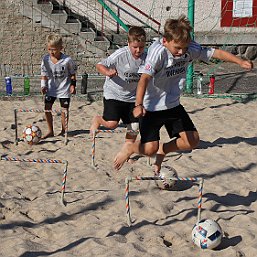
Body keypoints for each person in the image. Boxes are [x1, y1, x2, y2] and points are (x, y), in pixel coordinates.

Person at [114, 15, 253, 171]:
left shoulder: (189, 48)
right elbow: (144, 79)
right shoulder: (158, 53)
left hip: (172, 104)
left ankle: (164, 150)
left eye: (184, 48)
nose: (181, 52)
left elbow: (215, 53)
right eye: (177, 48)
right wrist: (138, 104)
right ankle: (131, 148)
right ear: (165, 41)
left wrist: (239, 61)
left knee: (192, 141)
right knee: (149, 149)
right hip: (151, 106)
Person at [90, 26, 147, 158]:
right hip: (114, 93)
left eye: (141, 47)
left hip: (132, 97)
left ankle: (126, 152)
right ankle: (98, 119)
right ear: (128, 44)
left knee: (134, 127)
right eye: (135, 47)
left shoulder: (147, 57)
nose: (138, 50)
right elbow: (99, 64)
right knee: (112, 124)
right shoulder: (120, 54)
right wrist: (108, 72)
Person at [41, 33, 77, 138]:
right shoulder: (45, 60)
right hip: (51, 88)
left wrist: (73, 85)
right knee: (47, 108)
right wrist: (43, 86)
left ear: (61, 48)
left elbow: (72, 74)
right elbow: (44, 75)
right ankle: (50, 131)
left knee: (64, 110)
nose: (51, 52)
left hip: (64, 89)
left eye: (54, 49)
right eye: (49, 49)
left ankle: (63, 131)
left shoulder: (67, 60)